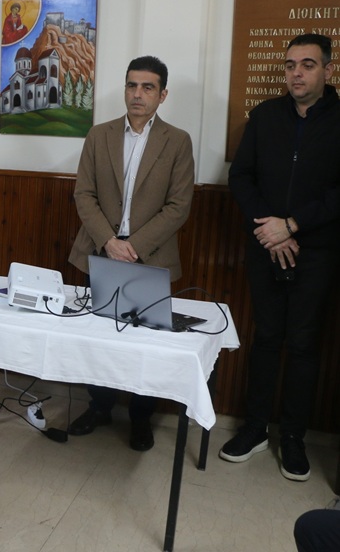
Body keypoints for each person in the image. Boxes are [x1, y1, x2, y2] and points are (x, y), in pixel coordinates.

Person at [221, 33, 340, 481]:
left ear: (328, 70)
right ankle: (255, 428)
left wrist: (293, 225)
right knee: (266, 338)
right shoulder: (266, 116)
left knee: (304, 344)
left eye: (307, 65)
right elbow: (241, 176)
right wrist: (270, 229)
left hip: (316, 251)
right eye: (291, 65)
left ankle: (293, 437)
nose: (296, 73)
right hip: (265, 246)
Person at [66, 55, 195, 451]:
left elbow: (179, 206)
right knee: (99, 338)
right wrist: (109, 241)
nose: (138, 94)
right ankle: (100, 407)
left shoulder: (177, 141)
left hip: (148, 258)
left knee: (145, 343)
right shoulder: (99, 135)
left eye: (147, 87)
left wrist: (134, 245)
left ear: (162, 95)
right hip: (101, 251)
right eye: (132, 85)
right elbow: (83, 194)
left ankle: (141, 418)